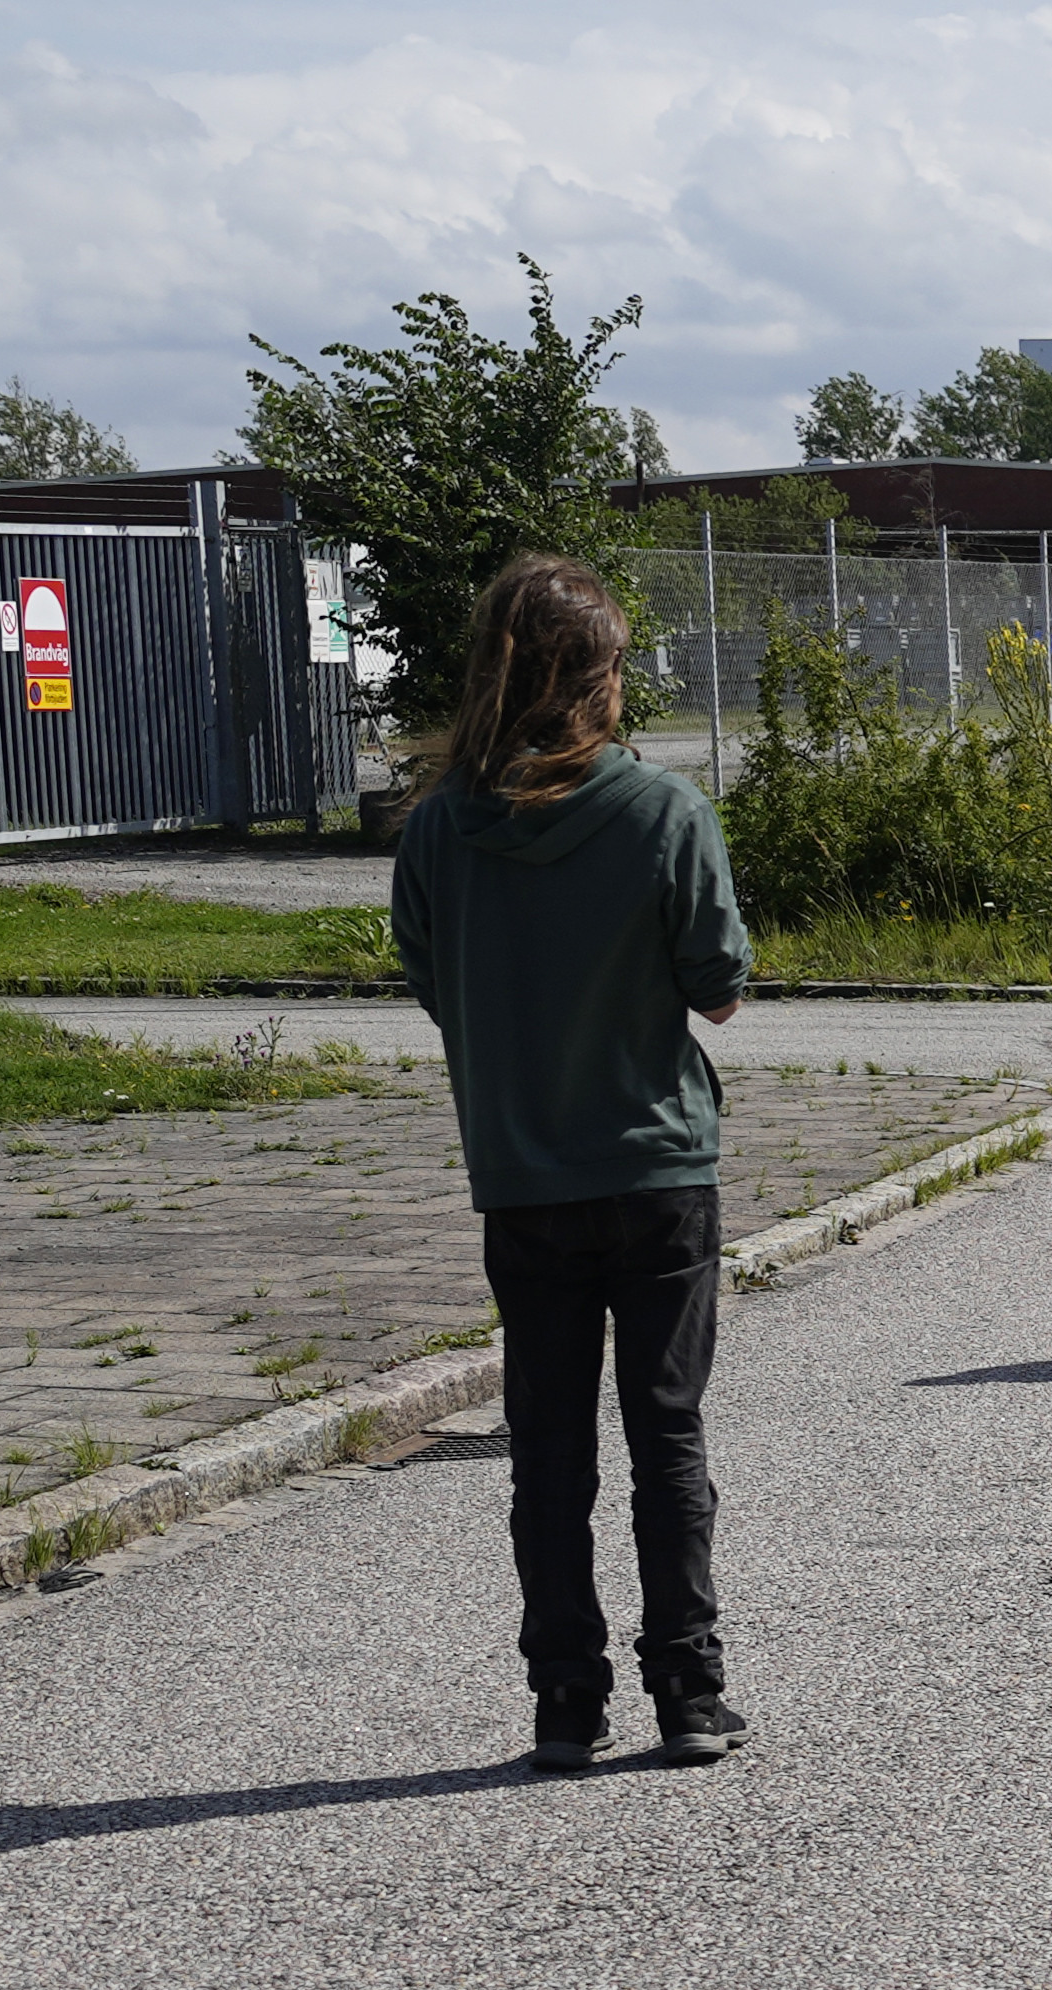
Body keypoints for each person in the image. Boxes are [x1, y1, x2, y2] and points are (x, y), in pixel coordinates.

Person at [391, 553, 751, 1772]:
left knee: (548, 1449)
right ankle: (690, 1692)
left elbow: (437, 984)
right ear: (603, 674)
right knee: (669, 1437)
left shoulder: (441, 829)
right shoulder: (662, 812)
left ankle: (564, 1701)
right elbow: (720, 986)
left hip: (523, 1174)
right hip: (655, 1165)